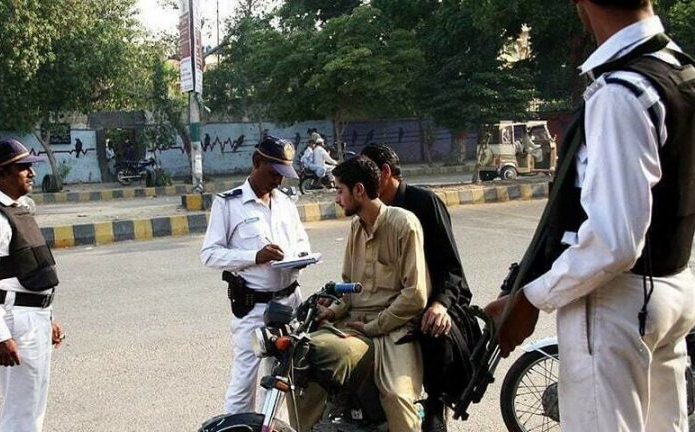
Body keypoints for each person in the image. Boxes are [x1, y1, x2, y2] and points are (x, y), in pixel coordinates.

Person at [484, 1, 695, 430]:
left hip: (615, 303)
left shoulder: (622, 92)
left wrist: (532, 298)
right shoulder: (680, 69)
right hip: (670, 288)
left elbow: (614, 242)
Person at [293, 156, 429, 431]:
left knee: (396, 396)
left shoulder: (404, 224)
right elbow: (349, 287)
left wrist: (373, 326)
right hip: (353, 324)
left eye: (339, 190)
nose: (336, 198)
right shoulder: (356, 227)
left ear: (359, 190)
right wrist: (333, 311)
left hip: (394, 329)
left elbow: (415, 295)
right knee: (302, 362)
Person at [361, 143, 476, 432]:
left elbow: (450, 268)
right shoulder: (368, 213)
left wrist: (440, 304)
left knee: (432, 327)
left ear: (385, 173)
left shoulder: (425, 203)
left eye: (367, 173)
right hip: (390, 303)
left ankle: (436, 404)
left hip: (433, 300)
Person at [200, 135, 311, 415]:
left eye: (283, 174)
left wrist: (300, 257)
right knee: (243, 386)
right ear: (256, 161)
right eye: (274, 173)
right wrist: (254, 257)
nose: (278, 180)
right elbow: (210, 254)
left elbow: (301, 242)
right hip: (253, 308)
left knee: (279, 383)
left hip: (290, 303)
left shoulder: (285, 203)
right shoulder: (229, 204)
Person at [0, 139, 64, 432]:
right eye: (23, 167)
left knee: (33, 408)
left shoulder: (15, 209)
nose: (31, 173)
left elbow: (29, 270)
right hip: (17, 321)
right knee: (21, 413)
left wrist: (48, 317)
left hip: (34, 317)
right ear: (2, 173)